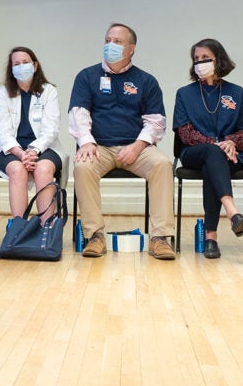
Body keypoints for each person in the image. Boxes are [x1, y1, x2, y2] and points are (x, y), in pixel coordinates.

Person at [69, 23, 176, 260]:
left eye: (117, 42)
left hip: (136, 147)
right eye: (108, 40)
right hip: (99, 147)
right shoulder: (87, 76)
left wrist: (138, 146)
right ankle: (95, 236)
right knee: (82, 168)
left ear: (131, 49)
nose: (110, 45)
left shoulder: (145, 80)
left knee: (162, 165)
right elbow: (78, 113)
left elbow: (156, 122)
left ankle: (160, 238)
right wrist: (87, 142)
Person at [173, 39, 243, 258]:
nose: (200, 63)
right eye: (196, 59)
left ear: (218, 59)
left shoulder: (237, 93)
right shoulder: (184, 93)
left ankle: (211, 238)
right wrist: (217, 145)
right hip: (194, 152)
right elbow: (185, 134)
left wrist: (232, 142)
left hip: (231, 155)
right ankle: (232, 211)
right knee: (212, 153)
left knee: (214, 163)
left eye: (205, 58)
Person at [0, 47, 64, 221]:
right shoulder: (3, 93)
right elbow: (1, 130)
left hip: (44, 147)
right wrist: (20, 153)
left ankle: (47, 229)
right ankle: (19, 230)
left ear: (34, 65)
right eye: (16, 64)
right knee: (17, 169)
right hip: (10, 150)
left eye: (25, 62)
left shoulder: (49, 91)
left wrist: (33, 151)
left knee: (43, 169)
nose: (21, 67)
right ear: (11, 70)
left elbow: (51, 129)